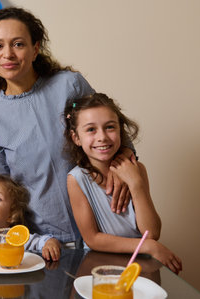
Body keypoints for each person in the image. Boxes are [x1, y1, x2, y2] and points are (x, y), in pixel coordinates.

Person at [0, 7, 133, 246]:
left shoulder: (70, 86)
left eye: (18, 44)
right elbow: (5, 190)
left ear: (35, 48)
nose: (7, 54)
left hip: (107, 224)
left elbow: (112, 127)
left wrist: (124, 163)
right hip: (49, 242)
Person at [63, 93, 183, 274]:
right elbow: (92, 239)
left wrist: (135, 183)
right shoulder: (76, 179)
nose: (102, 137)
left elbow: (151, 233)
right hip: (100, 268)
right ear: (76, 138)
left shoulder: (137, 169)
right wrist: (149, 247)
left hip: (142, 266)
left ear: (121, 130)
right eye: (90, 130)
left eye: (110, 127)